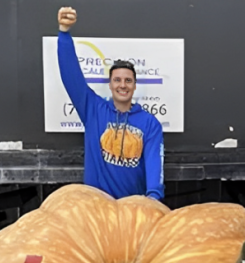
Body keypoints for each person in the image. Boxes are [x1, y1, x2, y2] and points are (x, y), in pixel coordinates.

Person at [57, 6, 165, 200]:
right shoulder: (93, 109)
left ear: (134, 86)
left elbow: (153, 163)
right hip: (96, 205)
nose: (122, 85)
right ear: (110, 84)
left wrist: (153, 199)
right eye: (117, 80)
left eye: (128, 80)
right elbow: (71, 76)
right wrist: (64, 33)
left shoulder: (150, 124)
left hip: (132, 209)